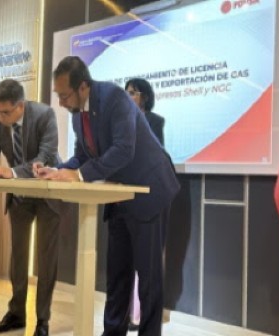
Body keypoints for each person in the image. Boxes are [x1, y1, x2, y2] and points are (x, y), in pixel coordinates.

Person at [38, 56, 180, 336]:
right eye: (58, 96)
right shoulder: (78, 115)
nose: (62, 103)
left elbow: (124, 149)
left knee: (148, 277)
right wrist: (56, 170)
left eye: (64, 95)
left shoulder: (115, 97)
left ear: (83, 87)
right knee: (117, 274)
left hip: (149, 189)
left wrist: (78, 175)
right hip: (118, 196)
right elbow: (81, 156)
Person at [0, 79, 61, 336]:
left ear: (20, 106)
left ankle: (42, 320)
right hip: (20, 195)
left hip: (48, 192)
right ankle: (17, 314)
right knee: (19, 256)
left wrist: (12, 172)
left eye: (5, 112)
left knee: (45, 258)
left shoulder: (44, 115)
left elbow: (46, 157)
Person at [124, 77, 166, 331]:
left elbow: (155, 152)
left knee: (147, 268)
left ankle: (143, 322)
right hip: (122, 198)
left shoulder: (154, 120)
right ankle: (128, 317)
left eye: (133, 93)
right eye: (126, 92)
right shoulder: (118, 121)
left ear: (145, 97)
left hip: (148, 196)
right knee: (123, 269)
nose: (128, 96)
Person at [125, 78, 164, 146]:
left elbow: (157, 150)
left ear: (145, 97)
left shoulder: (155, 121)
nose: (127, 97)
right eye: (126, 94)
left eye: (132, 93)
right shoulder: (121, 120)